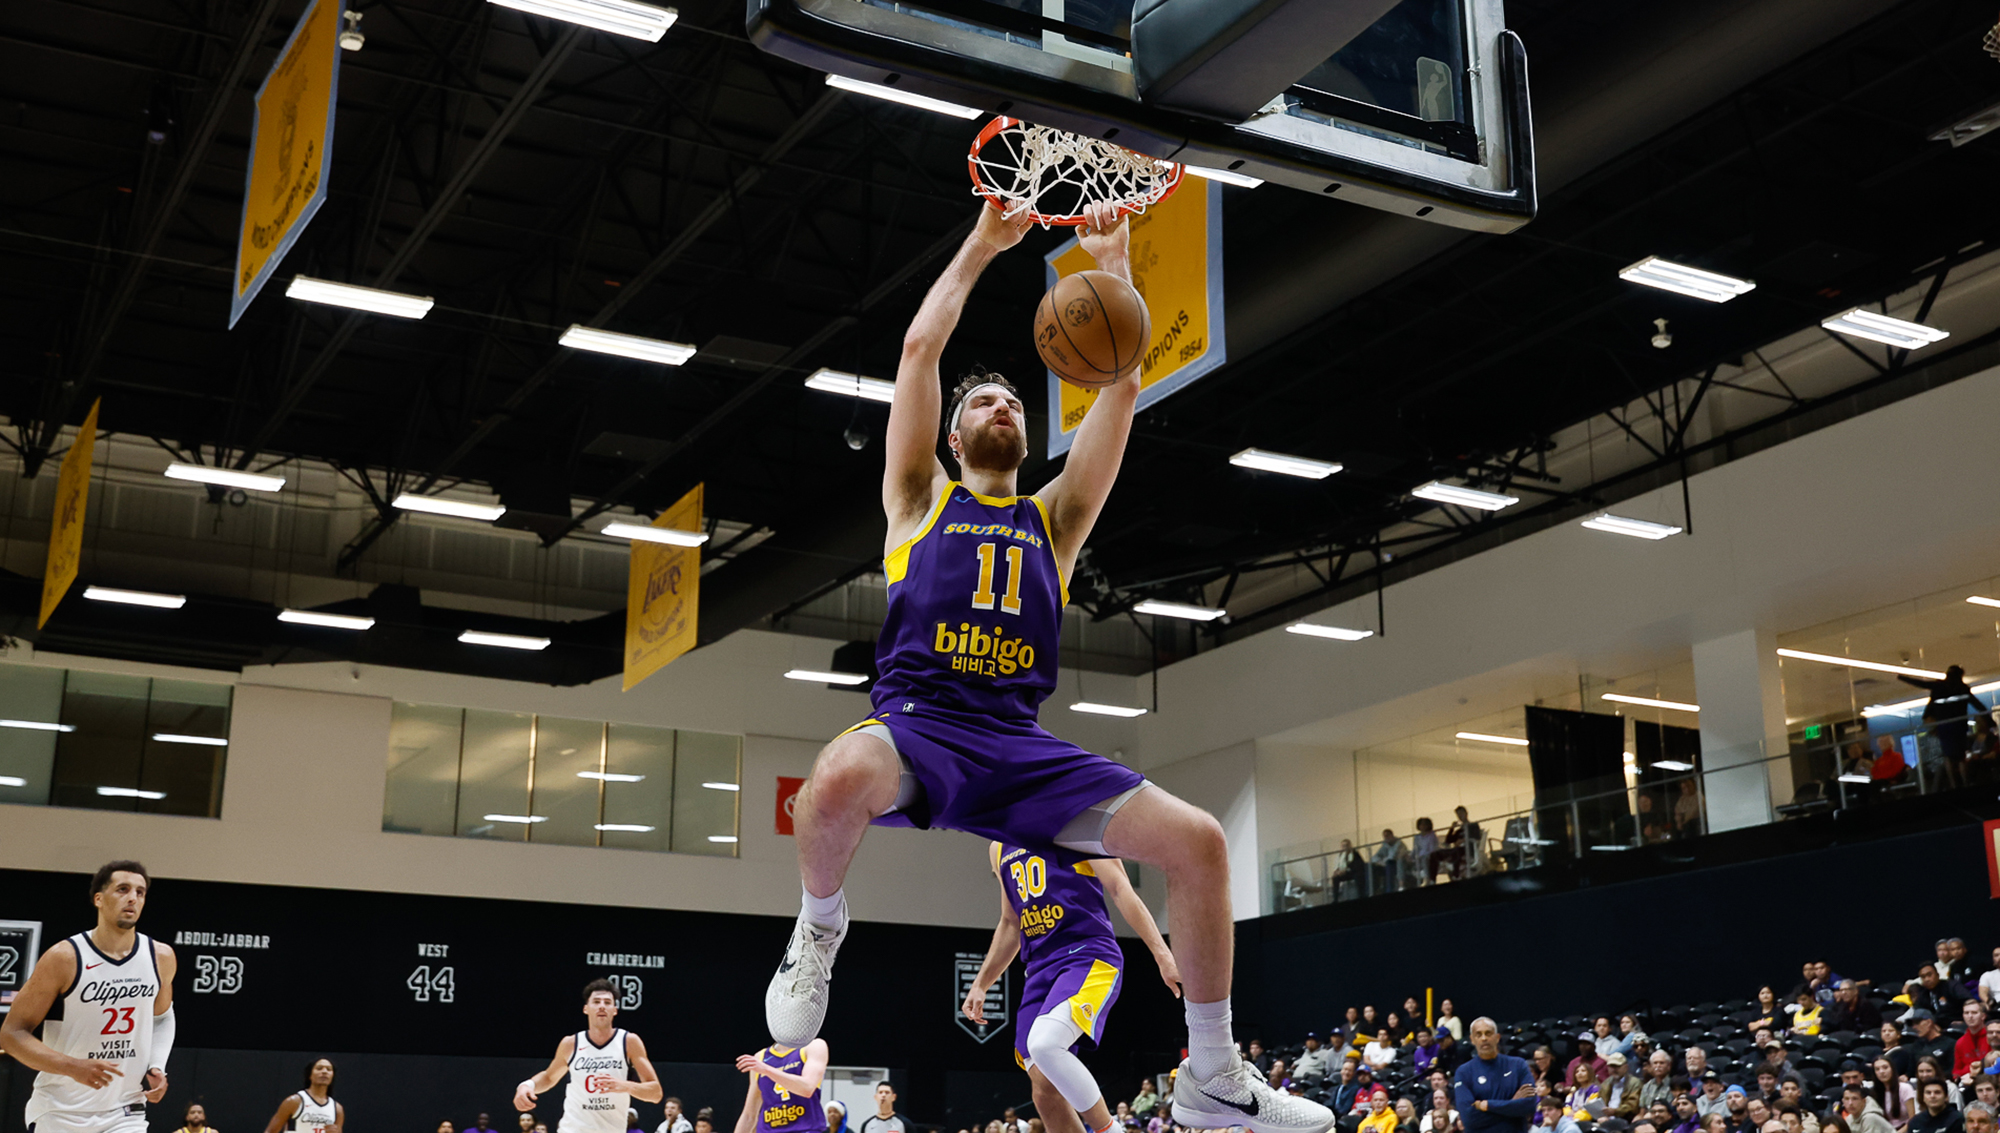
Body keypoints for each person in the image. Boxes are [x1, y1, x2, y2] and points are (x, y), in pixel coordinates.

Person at [762, 198, 1327, 1133]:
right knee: (835, 776)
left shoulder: (1054, 522)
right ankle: (820, 924)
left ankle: (1215, 1075)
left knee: (1202, 842)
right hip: (920, 727)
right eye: (984, 400)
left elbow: (1120, 389)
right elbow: (916, 355)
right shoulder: (917, 502)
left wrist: (1116, 270)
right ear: (951, 438)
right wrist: (985, 244)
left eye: (1017, 401)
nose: (1003, 406)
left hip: (1018, 748)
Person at [962, 842, 1177, 1133]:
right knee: (1043, 1089)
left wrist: (1162, 954)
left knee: (1045, 1044)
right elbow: (1011, 922)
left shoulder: (1078, 817)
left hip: (1088, 954)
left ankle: (1109, 1130)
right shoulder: (998, 846)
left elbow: (1120, 887)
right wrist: (981, 984)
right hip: (1039, 968)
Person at [0, 860, 178, 1133]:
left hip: (124, 1110)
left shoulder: (160, 957)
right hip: (61, 1110)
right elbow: (11, 1034)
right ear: (99, 898)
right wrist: (72, 1066)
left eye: (140, 892)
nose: (132, 897)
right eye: (122, 889)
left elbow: (163, 1018)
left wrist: (157, 1066)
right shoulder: (65, 957)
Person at [516, 980, 664, 1133]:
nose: (601, 1006)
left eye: (607, 1002)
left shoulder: (629, 1041)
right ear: (586, 1009)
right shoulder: (571, 1043)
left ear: (615, 1010)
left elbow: (655, 1093)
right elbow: (548, 1077)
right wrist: (527, 1085)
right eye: (596, 1001)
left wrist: (625, 1086)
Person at [1898, 667, 1986, 788]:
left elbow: (1922, 684)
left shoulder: (1939, 686)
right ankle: (1966, 783)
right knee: (1960, 756)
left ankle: (1953, 784)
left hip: (1945, 727)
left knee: (1948, 757)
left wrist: (1903, 677)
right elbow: (1978, 705)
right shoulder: (1962, 688)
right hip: (1959, 726)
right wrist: (1989, 719)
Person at [730, 1033, 830, 1133]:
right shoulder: (761, 1057)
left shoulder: (814, 1045)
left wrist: (766, 1069)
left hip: (805, 1129)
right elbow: (749, 1115)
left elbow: (807, 1088)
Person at [1455, 1018, 1537, 1133]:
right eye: (1478, 1035)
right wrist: (1512, 1103)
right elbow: (1469, 1118)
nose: (1484, 1038)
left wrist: (1488, 1105)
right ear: (1472, 1040)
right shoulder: (1464, 1072)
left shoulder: (1518, 1065)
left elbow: (1529, 1105)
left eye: (1488, 1033)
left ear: (1497, 1037)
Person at [263, 1061, 343, 1133]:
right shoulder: (294, 1101)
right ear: (310, 1075)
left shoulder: (337, 1109)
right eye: (319, 1068)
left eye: (329, 1069)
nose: (324, 1071)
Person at [1874, 1058, 1918, 1130]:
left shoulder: (1905, 1088)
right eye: (1877, 1069)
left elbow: (1912, 1119)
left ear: (1892, 1069)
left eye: (1885, 1067)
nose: (1881, 1072)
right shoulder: (1874, 1092)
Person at [1958, 1003, 1992, 1079]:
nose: (1970, 1016)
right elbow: (1956, 1071)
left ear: (1983, 1016)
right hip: (1966, 1081)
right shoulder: (1960, 1042)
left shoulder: (1992, 1037)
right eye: (1966, 1013)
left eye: (1974, 1012)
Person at [1372, 832, 1408, 896]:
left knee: (1390, 865)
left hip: (1397, 863)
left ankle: (1391, 889)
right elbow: (1374, 857)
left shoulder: (1399, 844)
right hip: (1387, 864)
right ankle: (1374, 890)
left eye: (1388, 836)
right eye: (1385, 836)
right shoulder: (1384, 846)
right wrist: (1381, 862)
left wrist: (1389, 859)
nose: (1386, 838)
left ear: (1392, 835)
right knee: (1372, 867)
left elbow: (1402, 854)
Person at [1413, 818, 1439, 887]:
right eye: (1421, 824)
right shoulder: (1417, 837)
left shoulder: (1432, 835)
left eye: (1425, 824)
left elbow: (1432, 848)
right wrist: (1410, 857)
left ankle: (1427, 879)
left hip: (1430, 855)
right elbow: (1415, 849)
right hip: (1419, 857)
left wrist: (1422, 855)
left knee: (1425, 859)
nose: (1423, 826)